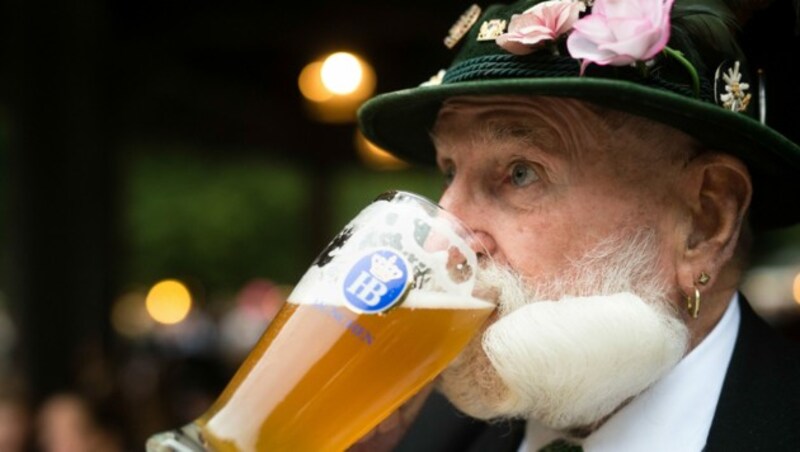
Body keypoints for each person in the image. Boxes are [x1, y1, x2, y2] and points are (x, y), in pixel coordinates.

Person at [354, 0, 800, 450]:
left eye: (520, 173)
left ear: (705, 221)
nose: (438, 242)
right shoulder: (402, 435)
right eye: (449, 172)